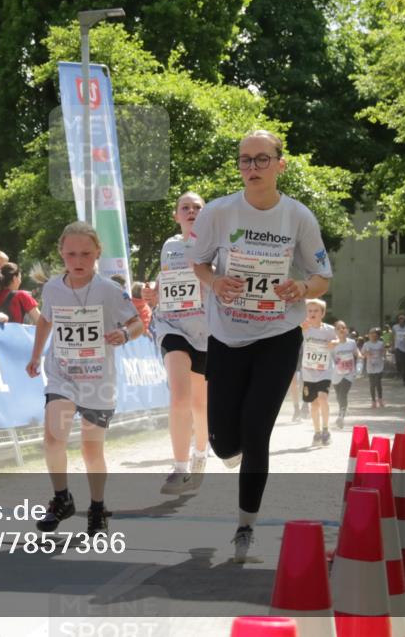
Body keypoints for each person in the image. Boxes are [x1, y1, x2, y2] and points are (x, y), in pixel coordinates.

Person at [188, 129, 332, 563]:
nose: (252, 167)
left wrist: (302, 286)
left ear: (280, 165)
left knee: (256, 431)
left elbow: (323, 277)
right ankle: (231, 453)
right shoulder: (218, 212)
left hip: (277, 336)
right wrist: (216, 281)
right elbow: (198, 261)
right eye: (245, 160)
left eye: (261, 159)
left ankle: (245, 528)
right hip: (228, 336)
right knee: (223, 442)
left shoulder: (299, 217)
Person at [26, 221, 143, 536]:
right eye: (71, 254)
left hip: (98, 380)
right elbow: (45, 321)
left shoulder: (110, 289)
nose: (78, 261)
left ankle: (97, 505)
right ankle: (62, 498)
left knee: (92, 450)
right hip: (62, 375)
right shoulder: (52, 287)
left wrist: (123, 333)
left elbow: (137, 324)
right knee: (53, 439)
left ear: (98, 254)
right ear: (61, 253)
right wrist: (36, 355)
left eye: (86, 254)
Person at [142, 192, 212, 494]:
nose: (192, 211)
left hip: (207, 331)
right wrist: (153, 294)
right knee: (179, 398)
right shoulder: (169, 246)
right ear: (176, 216)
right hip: (173, 326)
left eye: (198, 207)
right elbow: (166, 281)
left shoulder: (216, 244)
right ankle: (179, 468)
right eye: (186, 207)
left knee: (200, 403)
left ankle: (200, 453)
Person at [301, 299, 337, 445]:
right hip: (309, 372)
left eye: (316, 311)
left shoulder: (328, 329)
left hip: (325, 370)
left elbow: (335, 341)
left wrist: (332, 343)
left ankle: (326, 430)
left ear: (322, 313)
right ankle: (316, 432)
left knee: (323, 398)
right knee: (314, 404)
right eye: (309, 311)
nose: (312, 313)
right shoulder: (304, 327)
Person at [331, 319, 361, 429]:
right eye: (338, 328)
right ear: (335, 331)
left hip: (349, 373)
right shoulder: (333, 344)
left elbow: (356, 352)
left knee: (343, 393)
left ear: (346, 330)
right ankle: (342, 409)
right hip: (337, 373)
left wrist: (360, 357)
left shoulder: (351, 343)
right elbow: (330, 358)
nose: (341, 330)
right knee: (339, 396)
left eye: (343, 327)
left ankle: (341, 416)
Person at [363, 327, 386, 407]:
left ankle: (380, 399)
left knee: (378, 383)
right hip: (370, 366)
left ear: (377, 335)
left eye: (374, 334)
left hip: (379, 365)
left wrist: (382, 356)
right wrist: (367, 354)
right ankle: (373, 401)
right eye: (371, 333)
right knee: (372, 384)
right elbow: (363, 354)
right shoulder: (366, 344)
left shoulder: (380, 343)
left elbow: (383, 352)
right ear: (369, 335)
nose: (373, 335)